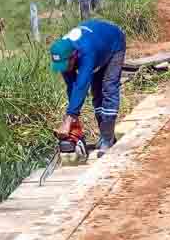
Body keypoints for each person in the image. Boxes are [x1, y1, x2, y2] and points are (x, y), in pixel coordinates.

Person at [50, 19, 126, 157]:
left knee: (109, 88)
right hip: (98, 45)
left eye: (66, 65)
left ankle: (107, 139)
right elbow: (72, 87)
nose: (64, 69)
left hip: (114, 42)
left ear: (73, 56)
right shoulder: (63, 53)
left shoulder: (86, 51)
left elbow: (81, 85)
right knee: (96, 92)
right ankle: (105, 136)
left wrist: (69, 119)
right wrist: (73, 119)